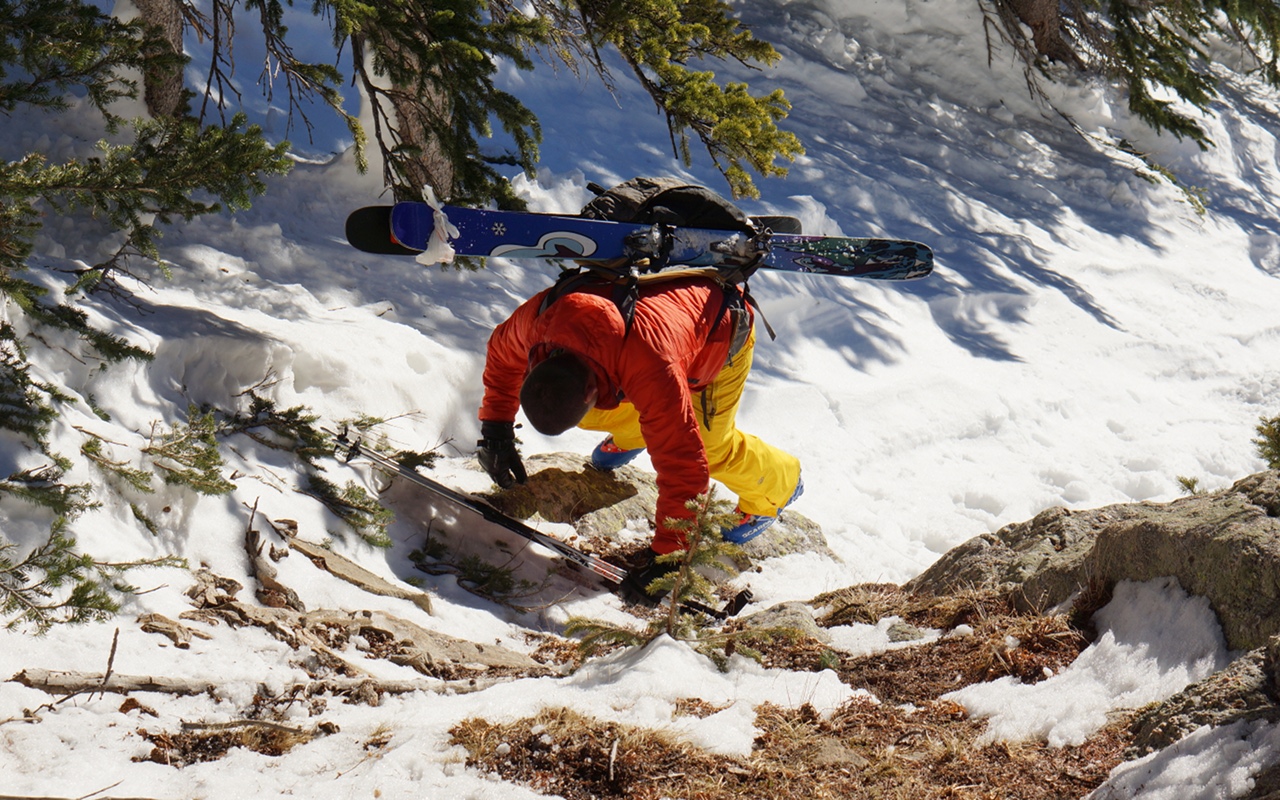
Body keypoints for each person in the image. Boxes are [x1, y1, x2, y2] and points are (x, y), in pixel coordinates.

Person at [475, 272, 802, 606]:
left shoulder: (650, 366)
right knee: (591, 414)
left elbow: (684, 465)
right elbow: (502, 356)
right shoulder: (540, 324)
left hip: (718, 336)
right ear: (540, 363)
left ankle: (779, 487)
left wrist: (668, 558)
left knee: (710, 448)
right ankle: (636, 433)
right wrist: (496, 429)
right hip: (650, 340)